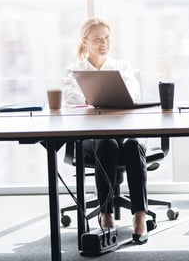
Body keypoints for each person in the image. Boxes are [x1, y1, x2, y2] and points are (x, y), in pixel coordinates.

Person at [62, 17, 149, 244]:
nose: (104, 43)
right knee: (106, 143)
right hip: (94, 137)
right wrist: (99, 97)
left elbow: (133, 96)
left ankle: (140, 215)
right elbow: (72, 100)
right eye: (97, 39)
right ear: (85, 41)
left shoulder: (122, 67)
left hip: (126, 131)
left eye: (107, 37)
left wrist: (95, 98)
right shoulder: (75, 69)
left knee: (132, 145)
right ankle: (106, 213)